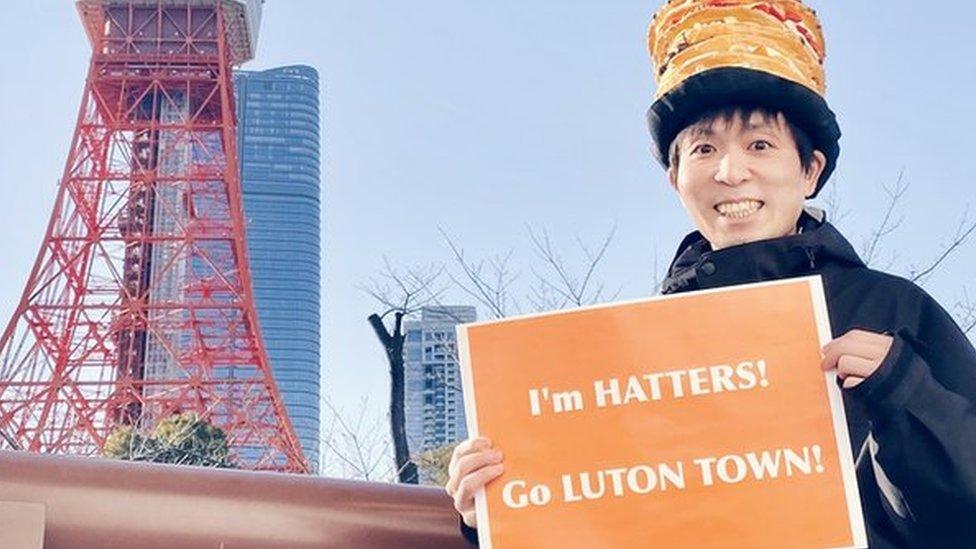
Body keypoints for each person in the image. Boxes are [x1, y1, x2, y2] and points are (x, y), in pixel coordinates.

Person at [446, 1, 976, 547]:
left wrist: (905, 392)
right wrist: (497, 511)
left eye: (760, 145)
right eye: (704, 149)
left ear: (810, 170)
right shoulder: (622, 356)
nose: (731, 171)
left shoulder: (894, 312)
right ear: (675, 179)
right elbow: (615, 517)